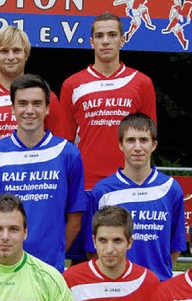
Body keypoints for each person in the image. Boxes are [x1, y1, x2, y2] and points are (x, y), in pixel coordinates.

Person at [0, 74, 86, 272]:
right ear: (12, 108)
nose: (29, 110)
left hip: (49, 267)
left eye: (37, 103)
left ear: (47, 108)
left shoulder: (67, 153)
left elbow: (75, 218)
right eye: (22, 103)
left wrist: (58, 253)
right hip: (2, 266)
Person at [57, 11, 157, 190]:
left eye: (112, 35)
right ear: (91, 42)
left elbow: (149, 138)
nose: (105, 41)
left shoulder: (142, 83)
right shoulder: (72, 85)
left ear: (122, 40)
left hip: (129, 182)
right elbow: (65, 141)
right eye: (99, 36)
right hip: (85, 183)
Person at [86, 112, 186, 280]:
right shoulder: (102, 191)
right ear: (120, 145)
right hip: (114, 285)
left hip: (157, 283)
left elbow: (175, 247)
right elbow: (92, 248)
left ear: (154, 145)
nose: (137, 147)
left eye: (144, 140)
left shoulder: (170, 189)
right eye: (131, 140)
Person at [0, 25, 64, 163]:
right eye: (4, 51)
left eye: (16, 51)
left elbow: (59, 146)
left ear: (26, 55)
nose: (10, 57)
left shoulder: (47, 97)